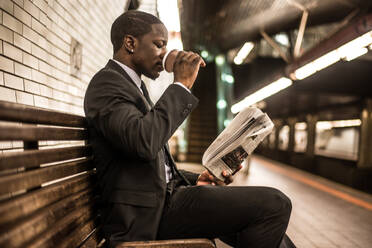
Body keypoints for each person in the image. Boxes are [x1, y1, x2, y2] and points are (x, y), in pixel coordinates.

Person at [84, 10, 295, 248]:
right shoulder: (107, 83)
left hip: (161, 203)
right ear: (130, 43)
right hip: (145, 217)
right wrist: (181, 85)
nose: (164, 54)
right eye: (159, 45)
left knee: (274, 231)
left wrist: (196, 179)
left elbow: (151, 162)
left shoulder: (133, 86)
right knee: (275, 203)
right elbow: (143, 142)